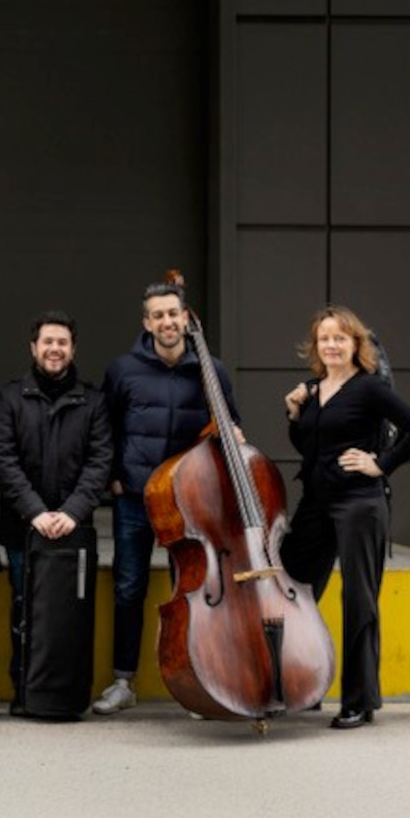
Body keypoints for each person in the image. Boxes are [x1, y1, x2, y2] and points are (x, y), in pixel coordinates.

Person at [280, 306, 410, 730]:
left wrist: (381, 463)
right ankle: (302, 685)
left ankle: (358, 700)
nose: (331, 345)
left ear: (355, 345)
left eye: (340, 338)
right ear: (315, 345)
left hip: (359, 503)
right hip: (315, 501)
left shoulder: (369, 389)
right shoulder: (312, 390)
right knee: (294, 587)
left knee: (358, 600)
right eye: (324, 338)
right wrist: (295, 413)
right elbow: (309, 447)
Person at [95, 275, 241, 715]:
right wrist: (115, 477)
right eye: (158, 315)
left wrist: (232, 433)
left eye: (173, 313)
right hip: (136, 496)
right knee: (128, 587)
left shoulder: (211, 370)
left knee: (193, 591)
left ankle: (196, 683)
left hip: (192, 501)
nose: (167, 321)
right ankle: (124, 682)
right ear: (147, 322)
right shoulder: (123, 370)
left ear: (184, 316)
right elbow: (105, 429)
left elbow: (230, 427)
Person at [0, 310, 113, 702]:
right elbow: (2, 460)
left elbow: (100, 462)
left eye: (62, 343)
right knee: (25, 609)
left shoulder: (93, 402)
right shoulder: (10, 397)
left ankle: (67, 692)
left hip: (74, 529)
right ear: (33, 347)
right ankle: (24, 690)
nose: (54, 349)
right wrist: (36, 513)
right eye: (48, 342)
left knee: (70, 612)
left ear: (73, 349)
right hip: (24, 525)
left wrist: (71, 512)